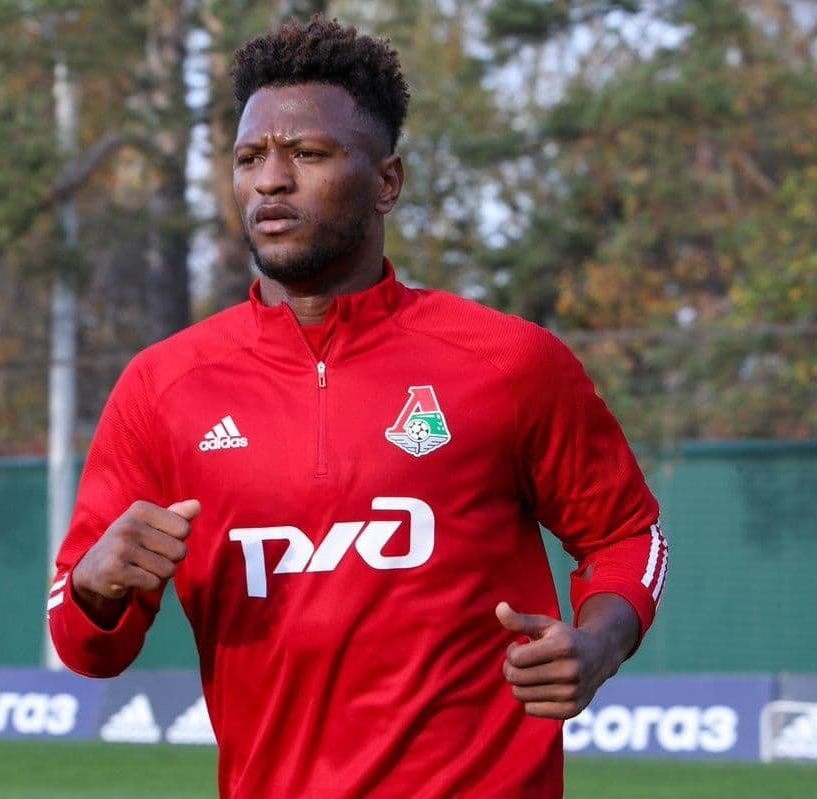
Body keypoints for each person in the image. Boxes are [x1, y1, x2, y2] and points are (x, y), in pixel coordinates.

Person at [48, 16, 668, 799]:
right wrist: (95, 585)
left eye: (307, 153)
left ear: (386, 182)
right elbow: (88, 647)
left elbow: (626, 534)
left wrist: (601, 643)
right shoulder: (163, 388)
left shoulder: (508, 363)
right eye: (249, 157)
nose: (271, 180)